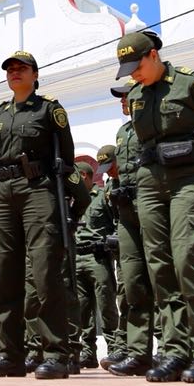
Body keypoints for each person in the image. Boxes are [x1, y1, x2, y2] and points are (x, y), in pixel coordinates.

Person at [113, 30, 194, 383]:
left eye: (136, 66)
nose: (132, 74)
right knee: (159, 266)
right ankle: (175, 350)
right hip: (150, 181)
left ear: (153, 56)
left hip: (188, 179)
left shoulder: (189, 84)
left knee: (188, 260)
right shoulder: (135, 95)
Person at [0, 51, 86, 380]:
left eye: (21, 68)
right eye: (10, 69)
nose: (14, 73)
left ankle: (55, 352)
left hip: (38, 190)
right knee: (3, 273)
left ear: (35, 74)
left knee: (43, 273)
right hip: (4, 193)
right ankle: (9, 352)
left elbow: (66, 158)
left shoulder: (49, 109)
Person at [105, 85, 156, 377]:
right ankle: (138, 352)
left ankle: (176, 346)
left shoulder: (151, 125)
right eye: (122, 98)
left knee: (163, 277)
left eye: (128, 95)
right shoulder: (123, 133)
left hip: (152, 204)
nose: (124, 101)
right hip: (128, 212)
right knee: (133, 282)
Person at [75, 152, 121, 369]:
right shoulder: (72, 200)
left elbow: (116, 221)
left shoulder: (102, 196)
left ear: (84, 175)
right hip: (77, 257)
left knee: (106, 304)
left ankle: (114, 349)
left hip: (97, 256)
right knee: (82, 309)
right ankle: (87, 351)